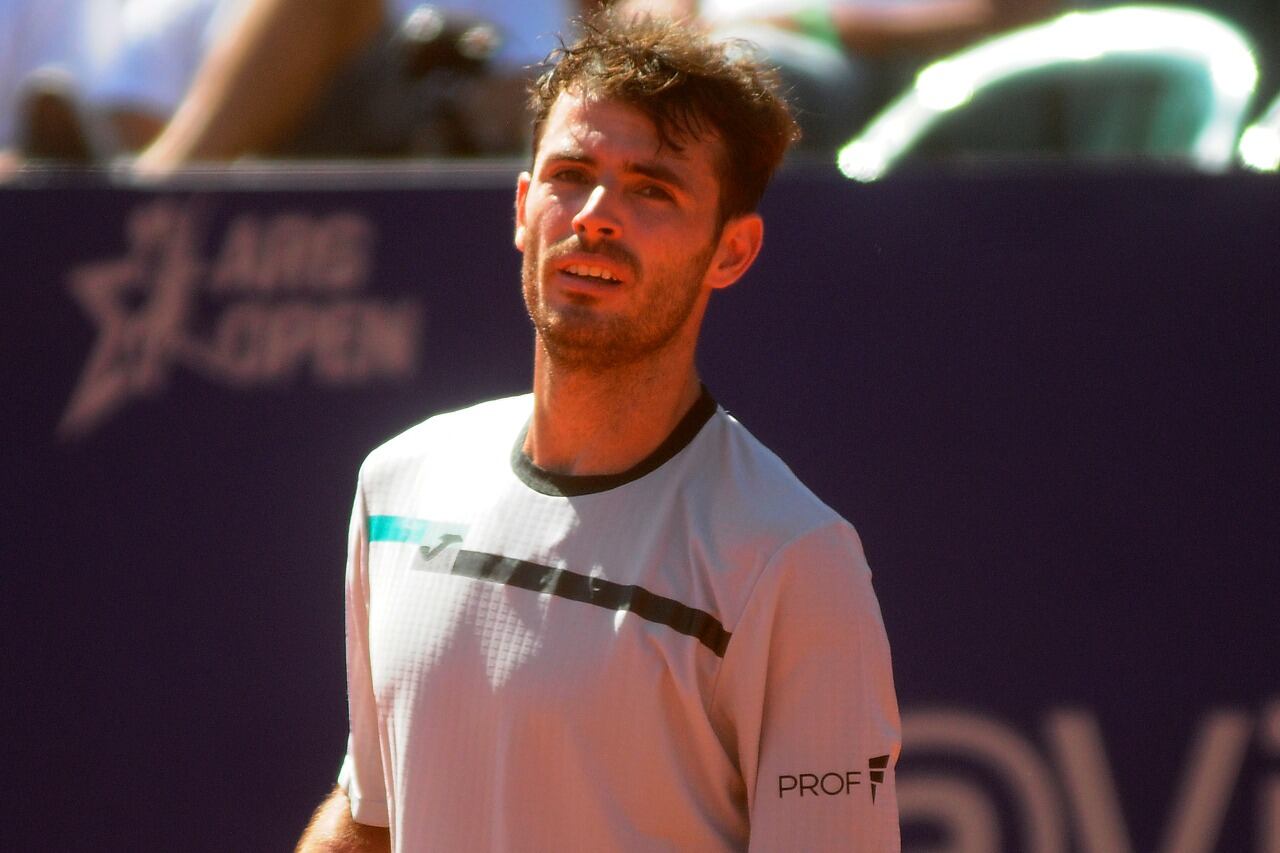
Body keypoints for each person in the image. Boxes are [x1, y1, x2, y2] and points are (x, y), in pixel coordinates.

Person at [296, 11, 900, 852]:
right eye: (570, 174)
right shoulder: (398, 483)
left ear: (732, 251)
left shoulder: (793, 560)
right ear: (522, 207)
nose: (595, 216)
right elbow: (373, 815)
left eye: (652, 189)